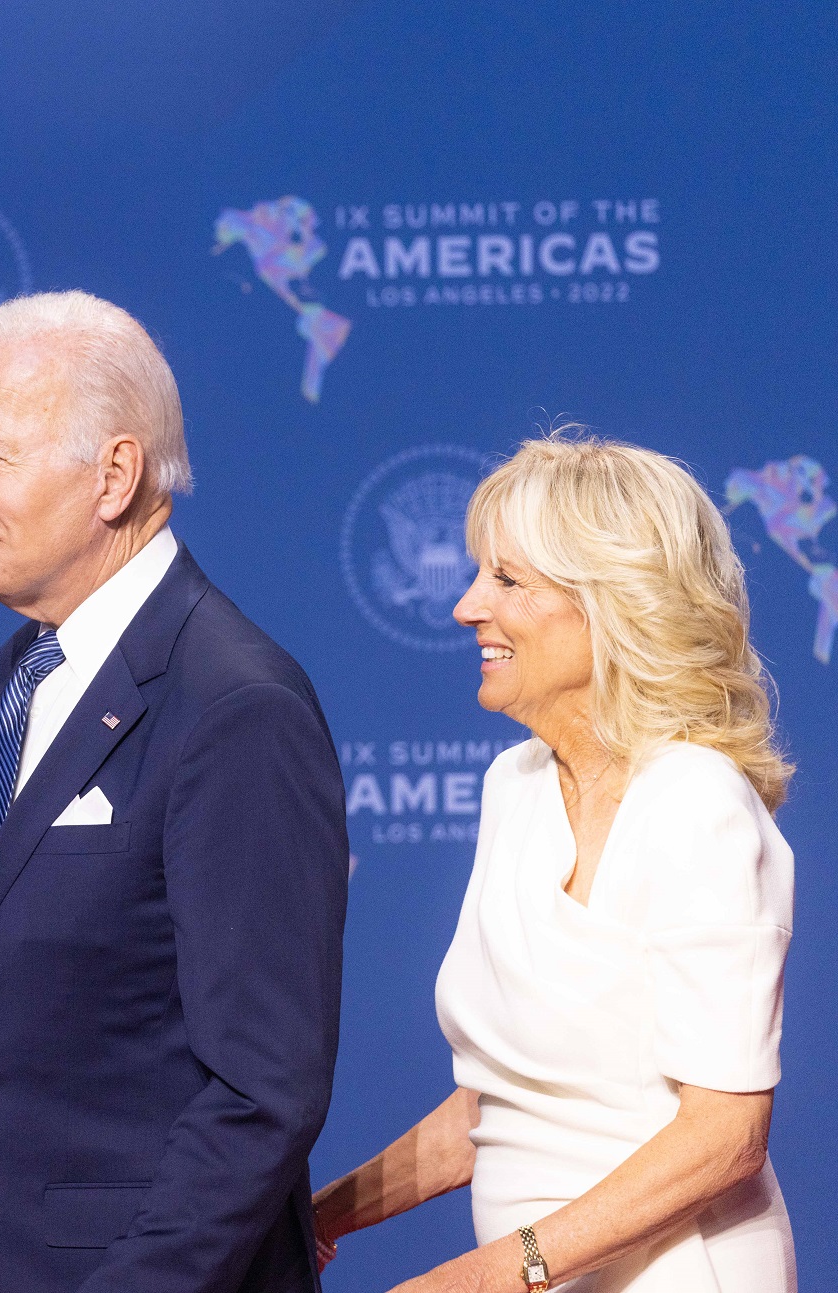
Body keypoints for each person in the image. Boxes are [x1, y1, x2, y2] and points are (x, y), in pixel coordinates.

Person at [0, 291, 349, 1292]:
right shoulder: (24, 672)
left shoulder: (234, 705)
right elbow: (10, 991)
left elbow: (260, 1091)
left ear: (113, 475)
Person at [312, 432, 797, 1291]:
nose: (466, 607)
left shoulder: (696, 802)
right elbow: (497, 1106)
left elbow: (724, 1135)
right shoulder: (517, 785)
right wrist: (320, 1218)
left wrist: (491, 1274)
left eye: (506, 579)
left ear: (613, 601)